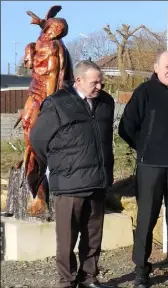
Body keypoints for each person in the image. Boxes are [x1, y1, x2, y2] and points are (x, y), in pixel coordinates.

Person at [29, 60, 115, 288]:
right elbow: (37, 140)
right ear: (78, 80)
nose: (100, 86)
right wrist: (59, 165)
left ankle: (89, 278)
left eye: (101, 82)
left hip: (98, 181)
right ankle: (67, 282)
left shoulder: (106, 102)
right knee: (67, 239)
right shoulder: (57, 104)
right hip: (69, 185)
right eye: (95, 82)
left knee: (93, 236)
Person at [118, 51, 168, 287]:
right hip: (150, 166)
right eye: (167, 66)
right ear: (156, 67)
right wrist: (144, 147)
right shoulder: (144, 92)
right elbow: (126, 127)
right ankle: (141, 269)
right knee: (146, 219)